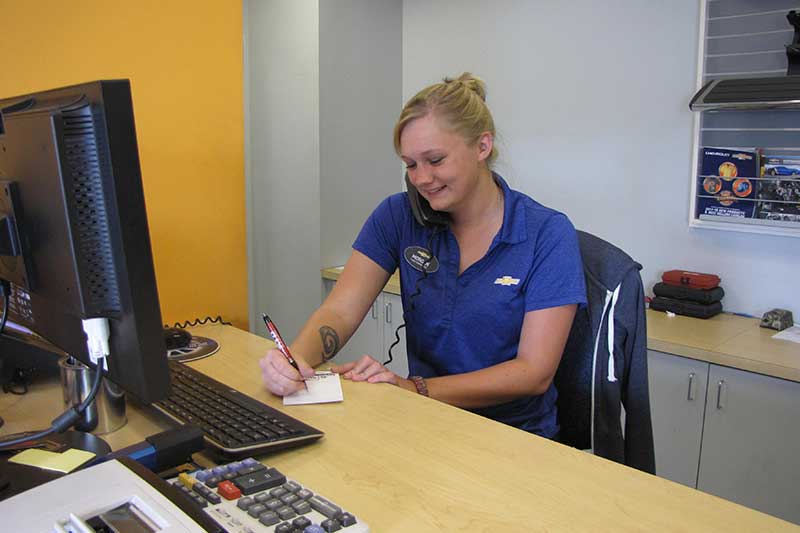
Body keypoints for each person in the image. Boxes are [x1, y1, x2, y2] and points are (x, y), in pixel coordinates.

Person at [260, 73, 586, 438]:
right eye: (410, 165)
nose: (421, 179)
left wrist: (414, 388)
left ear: (482, 146)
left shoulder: (547, 233)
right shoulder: (398, 217)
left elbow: (533, 372)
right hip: (427, 425)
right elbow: (340, 310)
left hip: (515, 437)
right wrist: (298, 361)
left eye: (435, 160)